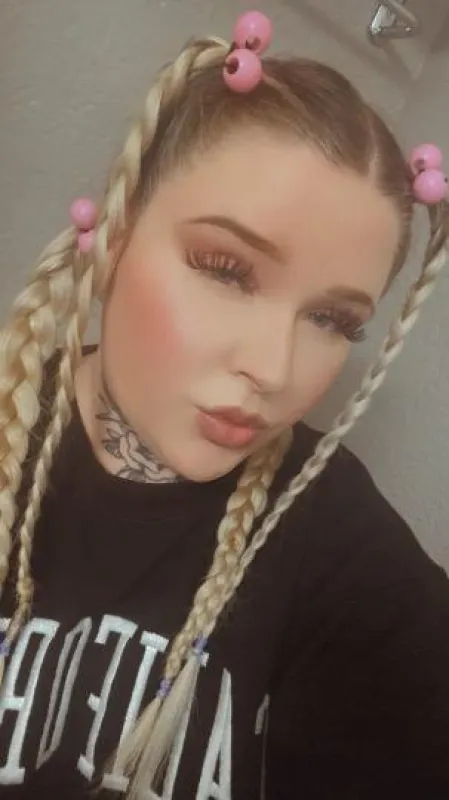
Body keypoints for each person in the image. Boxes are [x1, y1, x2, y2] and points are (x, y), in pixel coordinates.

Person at [0, 9, 448, 800]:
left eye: (331, 319)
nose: (272, 370)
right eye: (226, 270)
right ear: (115, 238)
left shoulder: (333, 534)